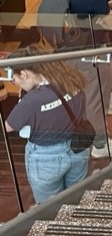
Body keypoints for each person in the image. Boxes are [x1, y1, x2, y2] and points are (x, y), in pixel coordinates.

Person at [5, 44, 90, 204]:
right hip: (78, 148)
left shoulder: (32, 101)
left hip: (46, 159)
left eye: (13, 78)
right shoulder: (71, 78)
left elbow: (8, 127)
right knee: (76, 199)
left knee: (50, 209)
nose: (14, 82)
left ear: (24, 74)